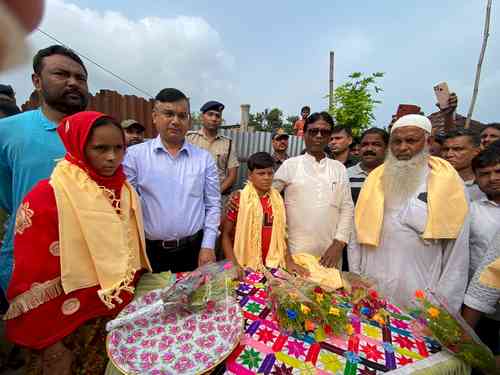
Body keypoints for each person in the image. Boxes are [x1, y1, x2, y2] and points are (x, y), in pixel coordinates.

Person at [4, 111, 151, 374]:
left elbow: (127, 251)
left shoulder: (122, 189)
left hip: (113, 312)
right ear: (78, 146)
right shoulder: (47, 196)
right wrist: (53, 344)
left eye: (119, 148)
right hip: (66, 323)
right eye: (100, 148)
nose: (112, 157)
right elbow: (34, 273)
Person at [349, 114, 469, 313]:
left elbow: (457, 255)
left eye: (411, 141)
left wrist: (442, 309)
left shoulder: (449, 183)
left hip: (420, 290)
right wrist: (356, 277)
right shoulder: (375, 179)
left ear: (428, 142)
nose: (402, 148)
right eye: (397, 142)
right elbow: (356, 233)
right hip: (372, 283)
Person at [0, 45, 89, 290]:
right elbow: (7, 192)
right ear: (37, 81)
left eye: (80, 78)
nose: (73, 83)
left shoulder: (100, 133)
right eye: (61, 74)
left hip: (89, 262)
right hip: (27, 263)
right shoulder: (7, 131)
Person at [124, 88, 220, 273]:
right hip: (150, 251)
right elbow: (125, 206)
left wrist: (208, 245)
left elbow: (213, 204)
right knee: (152, 300)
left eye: (182, 116)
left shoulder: (203, 159)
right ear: (154, 117)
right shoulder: (134, 157)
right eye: (169, 114)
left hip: (193, 250)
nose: (176, 121)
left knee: (193, 301)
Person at [273, 112, 354, 268]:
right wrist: (242, 195)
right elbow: (267, 195)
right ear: (305, 134)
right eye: (313, 131)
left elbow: (347, 207)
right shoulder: (291, 165)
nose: (318, 136)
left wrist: (339, 244)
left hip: (330, 255)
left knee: (329, 291)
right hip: (294, 254)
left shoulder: (339, 169)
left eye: (324, 132)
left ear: (329, 136)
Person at [222, 152, 308, 278]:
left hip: (273, 265)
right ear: (250, 175)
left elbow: (282, 235)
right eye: (261, 173)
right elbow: (225, 235)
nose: (266, 177)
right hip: (245, 266)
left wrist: (289, 261)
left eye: (270, 173)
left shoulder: (278, 200)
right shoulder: (239, 199)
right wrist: (234, 264)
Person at [462, 147, 500, 354]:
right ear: (476, 178)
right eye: (485, 174)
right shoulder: (472, 209)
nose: (492, 178)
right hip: (476, 306)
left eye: (498, 172)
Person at [187, 100, 239, 197]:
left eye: (217, 116)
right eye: (210, 114)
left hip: (218, 196)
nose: (214, 118)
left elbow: (232, 175)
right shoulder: (189, 139)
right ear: (202, 117)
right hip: (191, 196)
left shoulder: (228, 143)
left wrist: (215, 194)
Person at [347, 127, 389, 204]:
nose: (369, 149)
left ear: (387, 149)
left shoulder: (395, 176)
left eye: (376, 144)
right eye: (364, 145)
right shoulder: (345, 175)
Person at [442, 128, 484, 201]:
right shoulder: (430, 181)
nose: (449, 154)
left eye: (457, 149)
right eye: (446, 149)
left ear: (476, 152)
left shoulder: (488, 185)